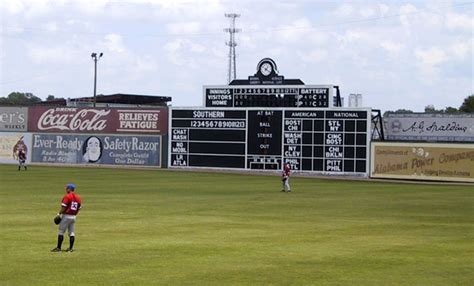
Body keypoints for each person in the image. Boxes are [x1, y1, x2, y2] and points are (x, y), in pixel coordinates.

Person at [51, 183, 82, 252]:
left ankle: (58, 248)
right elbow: (79, 208)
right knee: (72, 232)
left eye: (67, 188)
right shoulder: (78, 198)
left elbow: (64, 207)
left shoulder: (67, 196)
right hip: (73, 217)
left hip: (66, 216)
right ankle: (70, 248)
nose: (66, 189)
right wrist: (75, 214)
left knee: (61, 231)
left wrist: (59, 214)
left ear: (69, 189)